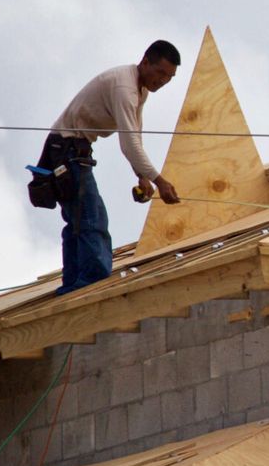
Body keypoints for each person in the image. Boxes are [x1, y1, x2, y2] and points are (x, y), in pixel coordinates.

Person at [44, 40, 183, 295]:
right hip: (66, 149)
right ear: (145, 62)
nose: (163, 80)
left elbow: (134, 135)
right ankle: (89, 286)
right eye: (161, 72)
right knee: (90, 219)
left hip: (73, 149)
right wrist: (160, 182)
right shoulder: (125, 88)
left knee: (82, 218)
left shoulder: (140, 90)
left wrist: (142, 177)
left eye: (170, 77)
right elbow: (129, 142)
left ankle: (74, 285)